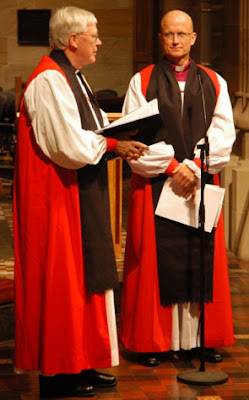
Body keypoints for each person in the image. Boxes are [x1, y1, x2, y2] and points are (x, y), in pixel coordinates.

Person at [13, 6, 148, 398]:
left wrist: (116, 126)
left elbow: (80, 126)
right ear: (73, 40)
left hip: (75, 191)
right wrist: (113, 144)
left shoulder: (73, 78)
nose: (99, 41)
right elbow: (67, 145)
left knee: (85, 279)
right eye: (94, 34)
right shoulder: (50, 80)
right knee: (62, 283)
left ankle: (81, 361)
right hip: (56, 197)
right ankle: (58, 373)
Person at [119, 10, 235, 367]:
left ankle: (199, 341)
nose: (175, 40)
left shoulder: (214, 82)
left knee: (201, 261)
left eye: (182, 34)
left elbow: (223, 134)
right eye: (169, 34)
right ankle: (155, 341)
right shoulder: (142, 81)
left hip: (199, 185)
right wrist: (172, 167)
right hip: (157, 185)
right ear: (160, 38)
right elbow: (134, 136)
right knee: (154, 264)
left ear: (194, 38)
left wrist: (194, 168)